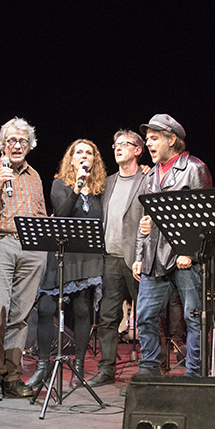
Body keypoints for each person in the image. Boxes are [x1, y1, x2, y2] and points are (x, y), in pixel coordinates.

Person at [133, 114, 211, 377]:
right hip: (154, 256)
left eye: (154, 139)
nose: (149, 144)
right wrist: (138, 255)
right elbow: (144, 218)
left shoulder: (194, 168)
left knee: (193, 316)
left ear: (172, 140)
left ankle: (195, 372)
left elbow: (205, 217)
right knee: (144, 314)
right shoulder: (151, 175)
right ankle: (149, 368)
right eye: (148, 139)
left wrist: (189, 251)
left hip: (183, 258)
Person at [0, 117, 48, 401]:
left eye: (22, 141)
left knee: (20, 316)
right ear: (2, 144)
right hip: (0, 243)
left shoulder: (35, 176)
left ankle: (12, 376)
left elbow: (40, 214)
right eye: (12, 141)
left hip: (31, 249)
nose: (17, 145)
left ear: (30, 145)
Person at [27, 139, 106, 389]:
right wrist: (78, 185)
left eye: (89, 153)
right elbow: (61, 214)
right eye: (79, 152)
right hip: (60, 254)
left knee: (82, 310)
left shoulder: (102, 188)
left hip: (86, 257)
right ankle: (42, 367)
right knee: (47, 309)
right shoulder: (59, 184)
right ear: (71, 159)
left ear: (95, 159)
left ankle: (79, 368)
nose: (84, 156)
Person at [85, 130, 147, 387]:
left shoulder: (147, 178)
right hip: (110, 258)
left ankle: (148, 369)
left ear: (138, 150)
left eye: (125, 144)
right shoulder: (108, 182)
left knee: (145, 316)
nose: (119, 148)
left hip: (136, 259)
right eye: (116, 144)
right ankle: (106, 369)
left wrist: (143, 256)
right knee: (108, 317)